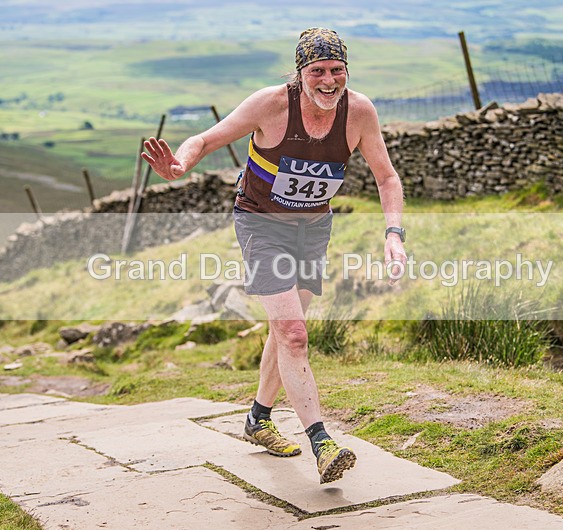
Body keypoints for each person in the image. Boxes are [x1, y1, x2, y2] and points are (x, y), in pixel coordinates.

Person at [142, 27, 407, 483]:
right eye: (317, 71)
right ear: (300, 73)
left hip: (313, 228)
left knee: (285, 332)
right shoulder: (271, 104)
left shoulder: (359, 111)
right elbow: (205, 140)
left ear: (347, 71)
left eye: (337, 71)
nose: (328, 81)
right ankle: (322, 443)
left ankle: (258, 418)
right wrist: (181, 165)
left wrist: (394, 233)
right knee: (294, 333)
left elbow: (387, 178)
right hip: (261, 224)